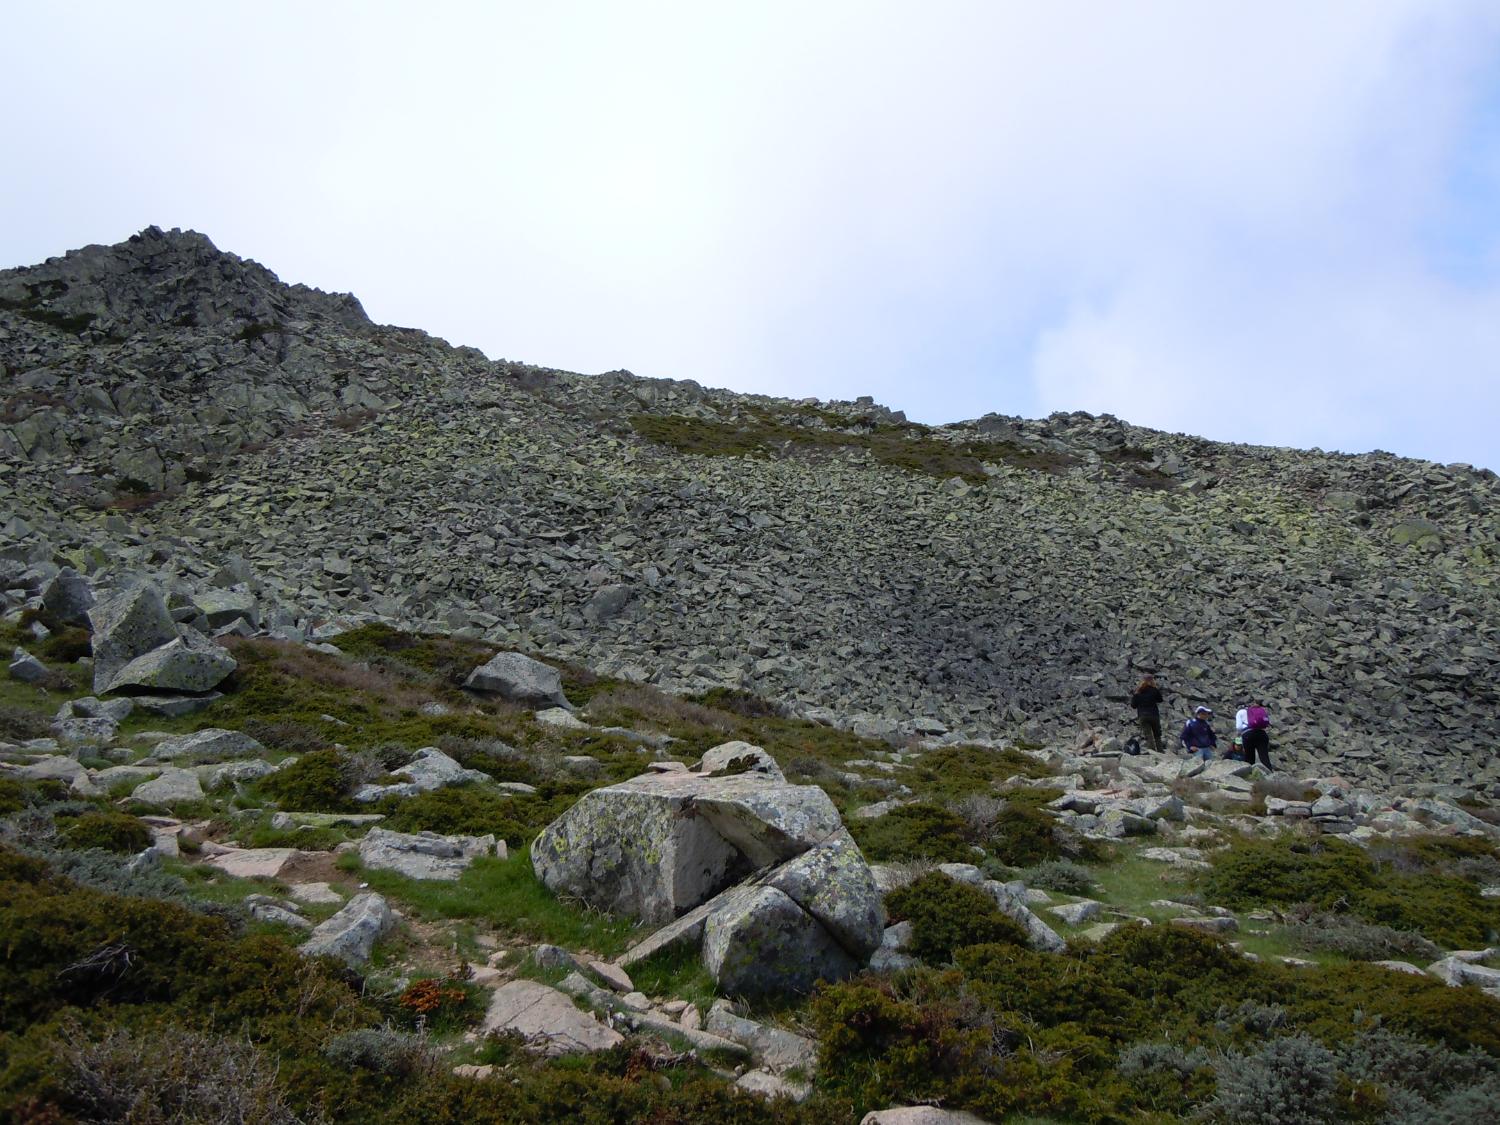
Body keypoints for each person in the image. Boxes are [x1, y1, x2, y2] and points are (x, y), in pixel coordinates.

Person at [1130, 674, 1165, 752]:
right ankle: (1160, 751)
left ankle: (1152, 752)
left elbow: (1133, 705)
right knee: (1157, 734)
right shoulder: (1154, 690)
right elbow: (1160, 700)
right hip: (1154, 715)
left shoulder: (1138, 691)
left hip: (1143, 716)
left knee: (1148, 735)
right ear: (1152, 681)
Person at [1240, 699, 1273, 770]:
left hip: (1248, 735)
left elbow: (1238, 726)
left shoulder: (1243, 711)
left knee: (1249, 757)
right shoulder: (1262, 710)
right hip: (1262, 734)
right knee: (1264, 757)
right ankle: (1270, 773)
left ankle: (1249, 774)